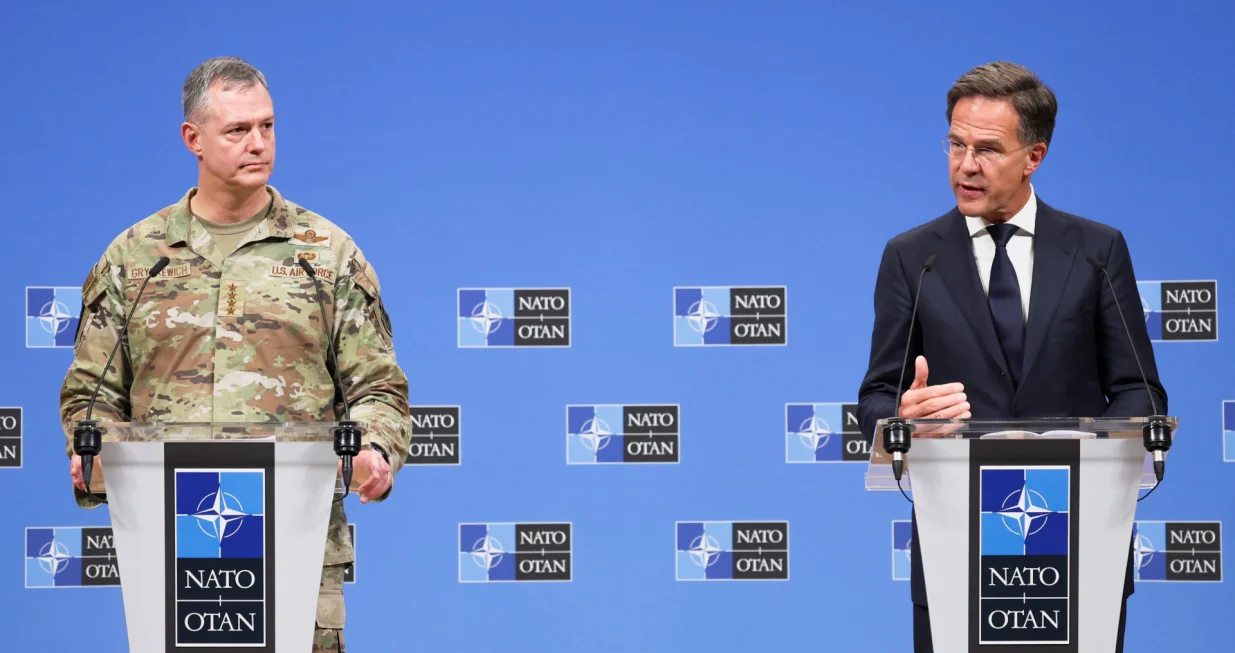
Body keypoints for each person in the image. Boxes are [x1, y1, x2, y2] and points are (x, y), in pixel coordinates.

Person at [59, 56, 411, 653]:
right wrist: (93, 453)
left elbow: (377, 386)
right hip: (173, 545)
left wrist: (375, 448)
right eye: (238, 131)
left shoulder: (325, 254)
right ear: (192, 139)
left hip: (295, 546)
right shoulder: (136, 258)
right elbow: (91, 393)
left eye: (267, 127)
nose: (259, 144)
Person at [857, 61, 1166, 653]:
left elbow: (1142, 394)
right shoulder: (910, 257)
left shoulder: (1097, 250)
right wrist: (902, 417)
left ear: (1035, 155)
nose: (965, 165)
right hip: (957, 547)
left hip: (1078, 546)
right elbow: (876, 397)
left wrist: (1072, 462)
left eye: (988, 149)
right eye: (955, 143)